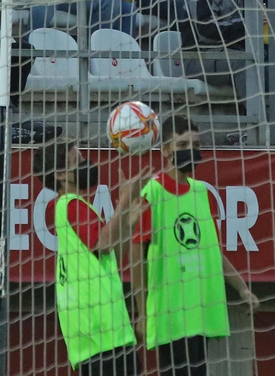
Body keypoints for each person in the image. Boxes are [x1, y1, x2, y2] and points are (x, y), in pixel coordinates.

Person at [130, 113, 257, 371]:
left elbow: (211, 252)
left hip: (201, 311)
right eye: (182, 146)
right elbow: (136, 258)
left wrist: (242, 287)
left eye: (196, 145)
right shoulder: (151, 193)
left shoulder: (201, 192)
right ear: (165, 151)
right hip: (171, 316)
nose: (191, 151)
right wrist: (142, 313)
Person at [31, 139, 143, 376]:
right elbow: (103, 244)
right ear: (60, 175)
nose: (86, 164)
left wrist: (128, 223)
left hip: (96, 334)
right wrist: (124, 201)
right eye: (77, 161)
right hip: (101, 331)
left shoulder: (70, 207)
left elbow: (110, 256)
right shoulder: (71, 205)